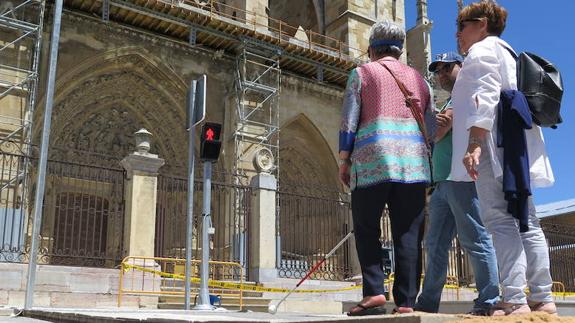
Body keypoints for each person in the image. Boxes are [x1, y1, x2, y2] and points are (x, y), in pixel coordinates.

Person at [451, 0, 556, 316]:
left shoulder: (481, 52)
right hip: (516, 148)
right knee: (527, 220)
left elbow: (484, 97)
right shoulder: (510, 54)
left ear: (481, 24)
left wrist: (474, 143)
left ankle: (513, 298)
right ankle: (542, 296)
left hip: (492, 147)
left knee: (499, 219)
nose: (458, 34)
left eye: (462, 26)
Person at [338, 20, 434, 316]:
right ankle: (405, 301)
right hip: (414, 164)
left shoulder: (362, 73)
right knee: (408, 233)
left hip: (372, 159)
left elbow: (349, 120)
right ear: (399, 50)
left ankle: (374, 292)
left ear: (371, 50)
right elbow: (430, 126)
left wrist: (344, 158)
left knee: (366, 227)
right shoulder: (420, 80)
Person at [415, 52, 500, 315]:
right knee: (435, 244)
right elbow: (434, 131)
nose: (441, 75)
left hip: (460, 180)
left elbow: (436, 132)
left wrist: (432, 125)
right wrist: (433, 125)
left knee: (475, 238)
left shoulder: (461, 97)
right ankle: (428, 303)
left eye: (446, 68)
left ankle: (488, 301)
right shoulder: (449, 103)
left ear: (461, 67)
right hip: (442, 183)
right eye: (437, 71)